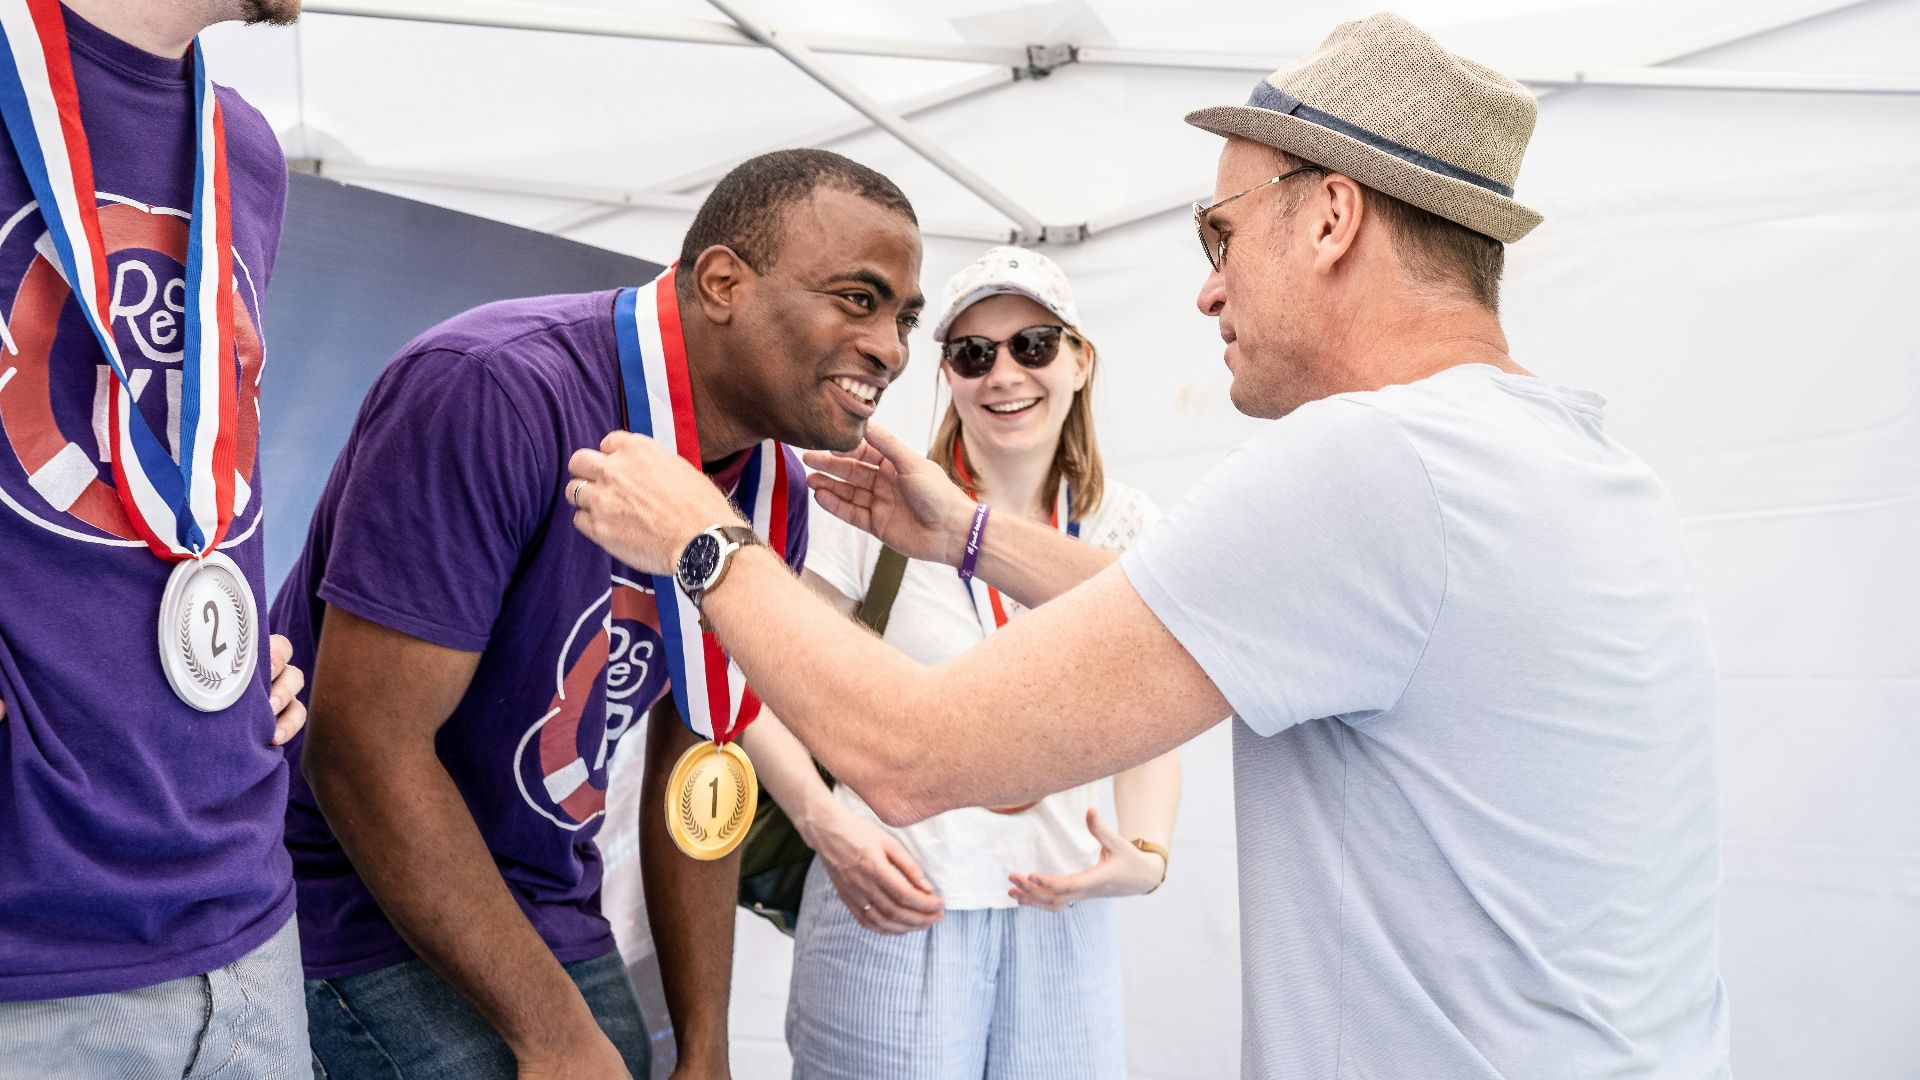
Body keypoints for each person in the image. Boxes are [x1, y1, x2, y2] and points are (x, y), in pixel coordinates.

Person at [566, 13, 1733, 1079]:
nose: (1209, 294)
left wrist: (700, 535)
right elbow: (1188, 607)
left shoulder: (1370, 464)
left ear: (1332, 215)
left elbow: (909, 754)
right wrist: (969, 536)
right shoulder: (1581, 468)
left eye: (1219, 235)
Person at [271, 148, 923, 1079]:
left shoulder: (773, 489)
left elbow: (703, 759)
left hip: (546, 901)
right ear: (724, 282)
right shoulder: (494, 386)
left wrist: (704, 1047)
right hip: (348, 906)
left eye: (904, 316)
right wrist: (555, 1037)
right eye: (858, 299)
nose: (892, 348)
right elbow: (364, 751)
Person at [740, 246, 1181, 1079]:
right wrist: (823, 825)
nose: (1003, 373)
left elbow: (1157, 717)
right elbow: (759, 678)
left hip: (1061, 911)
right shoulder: (880, 498)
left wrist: (1147, 856)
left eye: (1033, 344)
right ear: (948, 375)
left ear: (1081, 360)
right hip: (895, 903)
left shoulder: (1124, 526)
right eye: (973, 354)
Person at [0, 0, 311, 1075]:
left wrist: (230, 659)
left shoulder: (246, 149)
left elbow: (199, 460)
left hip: (244, 920)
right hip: (31, 955)